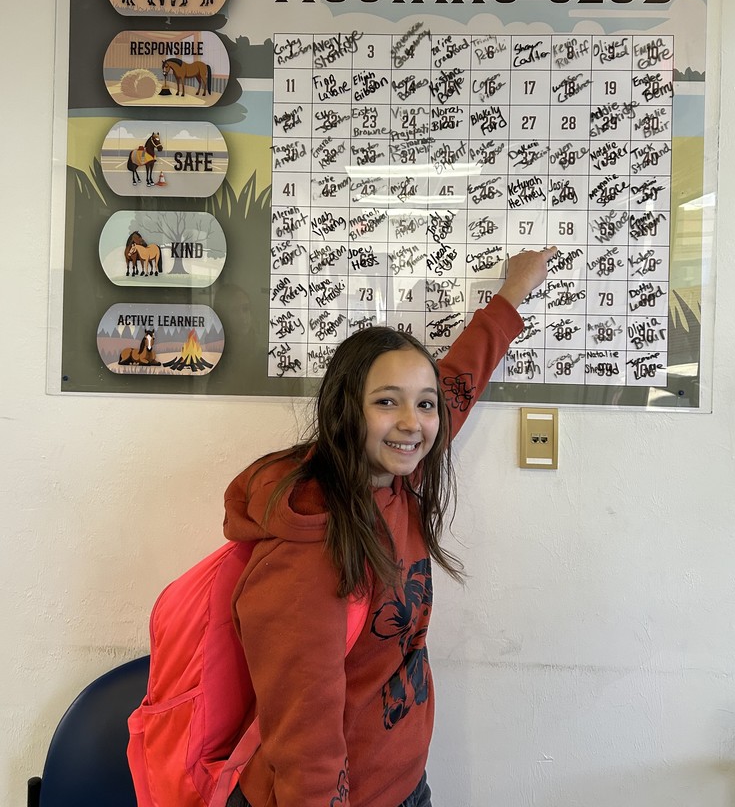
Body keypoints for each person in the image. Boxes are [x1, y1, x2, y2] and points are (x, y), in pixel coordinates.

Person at [223, 247, 557, 807]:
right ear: (345, 410)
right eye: (386, 402)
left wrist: (511, 296)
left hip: (402, 785)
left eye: (422, 405)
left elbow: (455, 384)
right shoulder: (308, 548)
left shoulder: (392, 474)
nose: (413, 422)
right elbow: (304, 740)